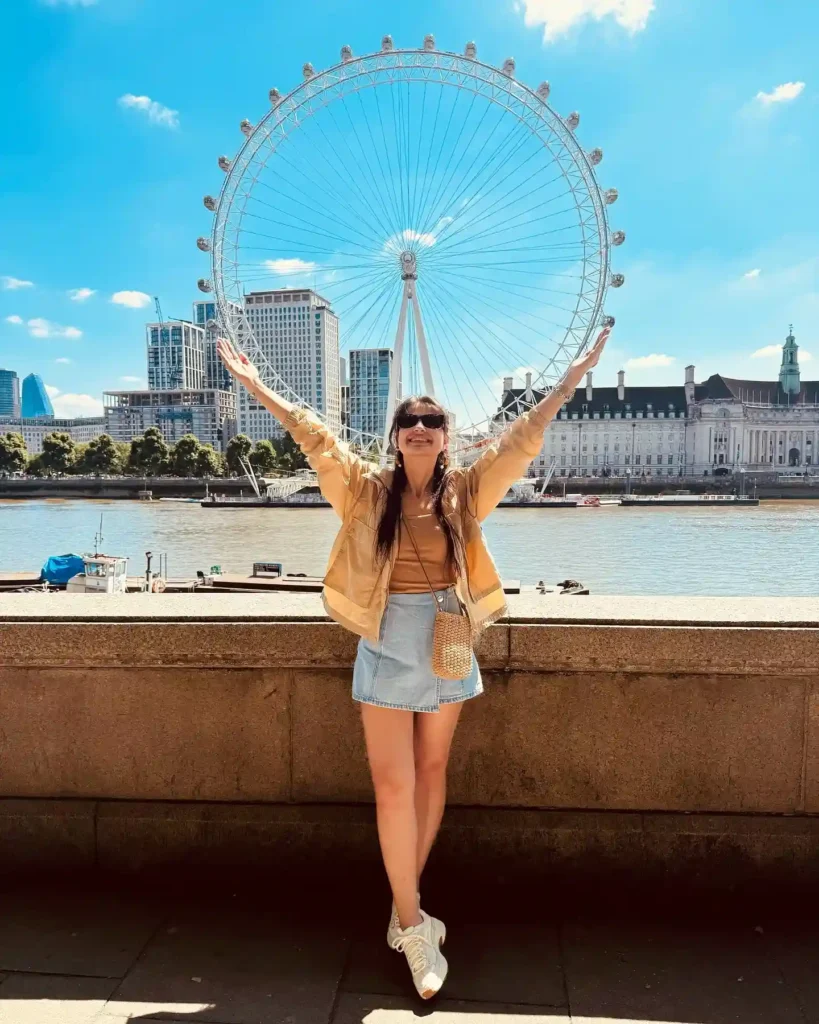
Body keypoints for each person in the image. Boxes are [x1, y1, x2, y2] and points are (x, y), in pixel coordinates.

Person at [217, 327, 611, 999]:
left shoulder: (465, 492)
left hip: (449, 633)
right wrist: (254, 385)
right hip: (386, 635)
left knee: (431, 773)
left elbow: (521, 441)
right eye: (410, 421)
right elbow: (315, 438)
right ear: (395, 436)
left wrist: (572, 378)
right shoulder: (364, 492)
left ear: (445, 436)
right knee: (392, 786)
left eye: (432, 421)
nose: (421, 427)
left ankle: (409, 904)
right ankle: (410, 921)